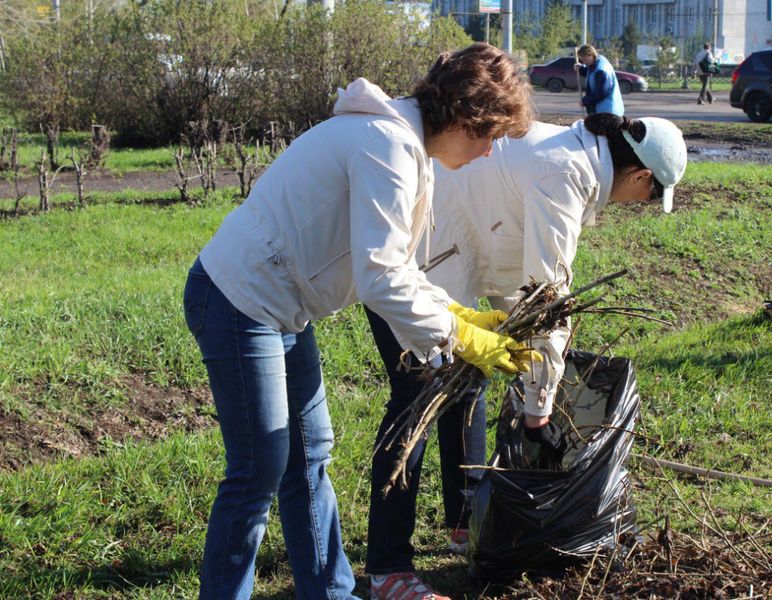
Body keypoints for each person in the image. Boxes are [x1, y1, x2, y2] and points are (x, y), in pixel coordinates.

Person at [182, 43, 535, 600]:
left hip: (281, 305)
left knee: (309, 455)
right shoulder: (387, 147)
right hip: (238, 298)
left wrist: (459, 314)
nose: (491, 152)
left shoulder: (405, 145)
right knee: (260, 469)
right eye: (490, 136)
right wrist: (461, 335)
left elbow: (397, 267)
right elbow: (379, 278)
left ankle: (331, 592)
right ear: (467, 118)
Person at [365, 112, 687, 600]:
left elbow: (517, 276)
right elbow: (550, 301)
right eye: (648, 196)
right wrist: (538, 409)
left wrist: (529, 362)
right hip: (404, 266)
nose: (639, 204)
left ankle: (464, 522)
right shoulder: (566, 174)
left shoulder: (572, 157)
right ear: (641, 176)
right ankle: (387, 566)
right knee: (418, 399)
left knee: (468, 378)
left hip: (448, 258)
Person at [576, 45, 625, 116]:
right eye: (581, 60)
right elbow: (592, 74)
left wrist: (585, 101)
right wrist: (580, 69)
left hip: (607, 111)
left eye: (584, 59)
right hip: (603, 109)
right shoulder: (596, 62)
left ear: (590, 55)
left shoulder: (601, 70)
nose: (583, 62)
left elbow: (600, 93)